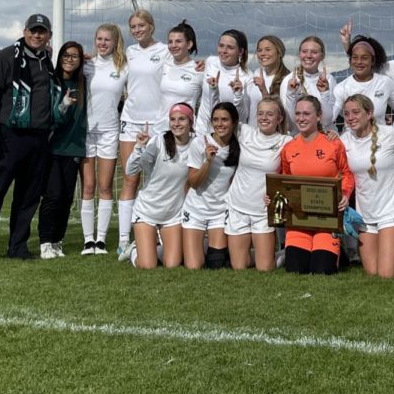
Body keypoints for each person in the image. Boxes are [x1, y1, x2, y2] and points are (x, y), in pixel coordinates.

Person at [0, 14, 56, 263]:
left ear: (48, 35)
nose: (37, 35)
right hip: (9, 136)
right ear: (24, 31)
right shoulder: (7, 56)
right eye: (33, 31)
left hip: (39, 137)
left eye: (42, 31)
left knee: (28, 196)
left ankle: (18, 245)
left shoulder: (48, 61)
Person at [279, 95, 355, 275]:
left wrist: (344, 194)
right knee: (296, 270)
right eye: (298, 114)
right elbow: (285, 181)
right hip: (299, 220)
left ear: (318, 116)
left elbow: (346, 173)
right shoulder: (289, 148)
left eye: (306, 113)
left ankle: (339, 252)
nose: (301, 118)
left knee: (322, 270)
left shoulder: (333, 144)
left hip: (327, 219)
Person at [116, 9, 168, 255]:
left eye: (141, 26)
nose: (137, 30)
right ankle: (124, 240)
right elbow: (109, 63)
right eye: (133, 27)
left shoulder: (165, 51)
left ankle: (154, 234)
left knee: (155, 179)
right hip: (130, 119)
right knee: (130, 176)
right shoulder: (129, 52)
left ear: (151, 26)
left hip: (156, 122)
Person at [339, 94, 394, 277]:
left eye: (355, 112)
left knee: (386, 274)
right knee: (372, 272)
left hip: (391, 212)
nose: (350, 117)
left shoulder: (391, 134)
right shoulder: (343, 140)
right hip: (365, 216)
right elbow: (340, 173)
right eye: (346, 114)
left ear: (369, 113)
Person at [123, 103, 194, 269]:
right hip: (147, 211)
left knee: (172, 264)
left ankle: (149, 247)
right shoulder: (159, 141)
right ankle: (134, 250)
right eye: (173, 119)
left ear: (191, 121)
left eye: (182, 119)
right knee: (148, 266)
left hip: (173, 214)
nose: (176, 123)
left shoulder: (196, 144)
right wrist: (140, 147)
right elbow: (131, 170)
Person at [226, 96, 291, 271]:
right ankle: (258, 252)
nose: (264, 118)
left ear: (280, 119)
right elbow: (223, 117)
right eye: (260, 113)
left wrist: (329, 135)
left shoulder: (286, 141)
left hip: (263, 211)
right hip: (237, 206)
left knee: (265, 268)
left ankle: (282, 254)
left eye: (270, 114)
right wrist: (235, 94)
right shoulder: (244, 132)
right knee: (239, 266)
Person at [79, 23, 128, 255]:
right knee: (88, 186)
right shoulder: (87, 64)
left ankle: (101, 240)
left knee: (105, 186)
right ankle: (88, 240)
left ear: (116, 41)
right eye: (99, 39)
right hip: (87, 131)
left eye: (107, 39)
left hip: (110, 131)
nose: (103, 43)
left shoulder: (124, 66)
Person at [38, 42, 87, 259]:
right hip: (52, 148)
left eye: (75, 56)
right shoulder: (51, 81)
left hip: (74, 147)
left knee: (67, 198)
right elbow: (52, 118)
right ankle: (45, 241)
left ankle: (58, 241)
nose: (69, 59)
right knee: (52, 196)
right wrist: (64, 105)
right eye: (66, 55)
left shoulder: (84, 81)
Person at [182, 102, 240, 270]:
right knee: (194, 266)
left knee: (216, 263)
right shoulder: (200, 143)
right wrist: (208, 161)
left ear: (234, 122)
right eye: (215, 120)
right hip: (195, 210)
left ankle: (208, 245)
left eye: (224, 120)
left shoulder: (238, 146)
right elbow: (193, 183)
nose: (219, 124)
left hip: (219, 212)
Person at [332, 35, 394, 127]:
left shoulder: (385, 83)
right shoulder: (341, 88)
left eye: (364, 58)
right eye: (355, 57)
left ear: (373, 61)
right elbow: (331, 118)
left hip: (381, 139)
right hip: (352, 140)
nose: (359, 62)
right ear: (350, 61)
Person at [197, 29, 253, 132]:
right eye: (221, 45)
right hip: (202, 132)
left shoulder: (247, 77)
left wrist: (238, 94)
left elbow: (242, 117)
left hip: (227, 137)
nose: (223, 51)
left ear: (240, 51)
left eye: (230, 47)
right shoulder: (210, 62)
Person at [280, 36, 335, 133]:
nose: (308, 56)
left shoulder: (329, 80)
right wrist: (290, 94)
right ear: (299, 54)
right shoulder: (289, 80)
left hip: (324, 137)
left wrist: (324, 93)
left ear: (322, 56)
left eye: (314, 52)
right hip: (299, 138)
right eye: (304, 51)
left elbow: (327, 121)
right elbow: (291, 124)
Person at [248, 35, 291, 120]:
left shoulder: (288, 80)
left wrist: (264, 91)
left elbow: (285, 115)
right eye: (259, 50)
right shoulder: (256, 73)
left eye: (268, 50)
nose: (263, 54)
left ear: (279, 53)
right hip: (253, 131)